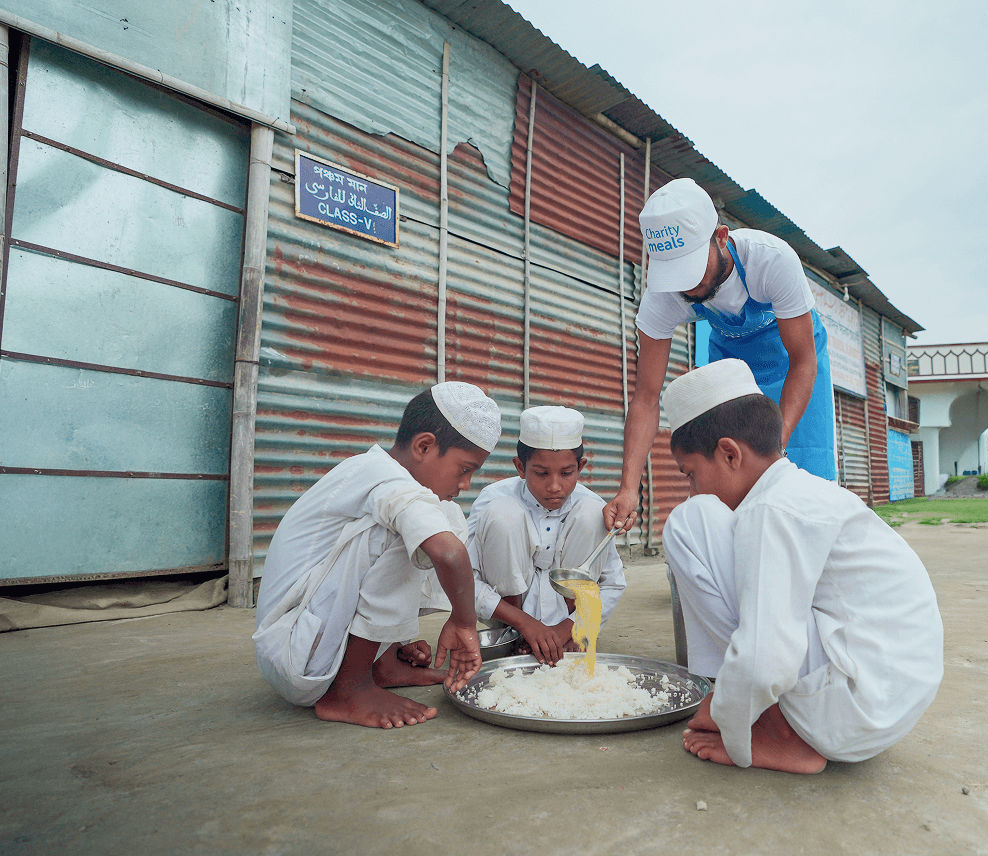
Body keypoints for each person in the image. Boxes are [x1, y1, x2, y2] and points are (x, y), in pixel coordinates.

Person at [660, 359, 943, 773]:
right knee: (700, 519)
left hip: (851, 709)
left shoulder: (771, 511)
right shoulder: (800, 493)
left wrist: (727, 715)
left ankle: (782, 734)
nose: (693, 488)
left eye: (691, 474)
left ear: (729, 453)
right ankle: (760, 712)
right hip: (883, 702)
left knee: (689, 521)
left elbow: (765, 659)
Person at [252, 381, 502, 729]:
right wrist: (464, 623)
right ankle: (349, 688)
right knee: (409, 531)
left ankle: (379, 663)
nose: (466, 484)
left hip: (314, 641)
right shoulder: (383, 481)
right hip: (296, 656)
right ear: (424, 446)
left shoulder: (385, 478)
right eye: (464, 469)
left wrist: (397, 640)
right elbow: (448, 554)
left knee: (444, 515)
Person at [604, 177, 836, 532]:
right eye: (676, 275)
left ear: (722, 237)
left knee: (800, 466)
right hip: (733, 365)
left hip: (794, 360)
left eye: (693, 270)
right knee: (726, 471)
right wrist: (628, 488)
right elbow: (647, 398)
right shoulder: (663, 296)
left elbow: (803, 361)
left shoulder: (771, 261)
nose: (687, 287)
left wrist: (776, 448)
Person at [467, 405, 626, 664]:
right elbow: (466, 580)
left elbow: (613, 583)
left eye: (566, 473)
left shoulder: (592, 504)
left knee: (592, 513)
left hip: (571, 624)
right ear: (520, 467)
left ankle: (571, 636)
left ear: (580, 466)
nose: (554, 487)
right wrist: (526, 625)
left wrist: (569, 627)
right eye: (541, 473)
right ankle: (514, 635)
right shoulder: (493, 499)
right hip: (510, 619)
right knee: (502, 514)